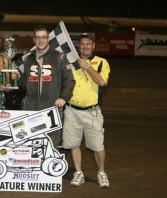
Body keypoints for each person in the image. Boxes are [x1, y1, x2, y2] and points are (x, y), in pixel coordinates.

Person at [61, 33, 111, 188]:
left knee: (98, 146)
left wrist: (87, 66)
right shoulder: (70, 62)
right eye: (82, 44)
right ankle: (78, 172)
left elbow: (102, 82)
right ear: (78, 46)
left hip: (92, 111)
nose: (85, 47)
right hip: (71, 110)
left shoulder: (102, 63)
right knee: (73, 144)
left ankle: (101, 173)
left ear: (93, 46)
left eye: (88, 44)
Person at [17, 25, 75, 150]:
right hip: (31, 105)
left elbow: (70, 80)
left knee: (51, 139)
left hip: (51, 104)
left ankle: (49, 166)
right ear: (33, 39)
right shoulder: (27, 59)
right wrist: (16, 78)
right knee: (31, 138)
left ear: (48, 39)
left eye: (43, 37)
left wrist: (64, 97)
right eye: (37, 37)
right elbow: (23, 84)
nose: (40, 40)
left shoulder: (59, 57)